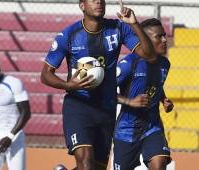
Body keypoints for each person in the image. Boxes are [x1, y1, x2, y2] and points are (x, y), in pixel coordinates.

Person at [41, 0, 158, 169]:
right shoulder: (68, 35)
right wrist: (69, 85)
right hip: (79, 106)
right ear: (82, 5)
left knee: (96, 167)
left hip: (106, 109)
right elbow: (45, 75)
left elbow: (150, 56)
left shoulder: (118, 28)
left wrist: (135, 24)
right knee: (86, 160)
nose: (98, 2)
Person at [114, 18, 174, 170]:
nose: (164, 40)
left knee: (159, 164)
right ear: (145, 39)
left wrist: (163, 99)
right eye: (159, 36)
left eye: (164, 35)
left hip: (152, 127)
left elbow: (155, 84)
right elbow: (104, 91)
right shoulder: (129, 64)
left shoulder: (165, 64)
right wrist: (129, 101)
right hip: (127, 131)